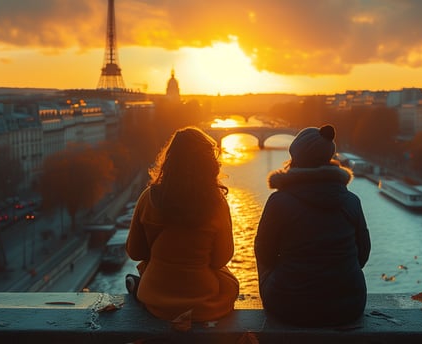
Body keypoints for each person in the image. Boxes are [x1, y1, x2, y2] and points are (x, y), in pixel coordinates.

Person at [255, 124, 371, 327]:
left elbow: (264, 253)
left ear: (295, 159)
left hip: (289, 306)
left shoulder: (279, 201)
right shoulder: (351, 201)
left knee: (263, 253)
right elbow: (363, 255)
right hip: (349, 306)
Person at [125, 126, 240, 322]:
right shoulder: (216, 202)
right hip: (202, 304)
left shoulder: (149, 198)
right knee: (230, 283)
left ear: (169, 160)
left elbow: (135, 251)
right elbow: (222, 258)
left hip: (156, 301)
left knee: (147, 269)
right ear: (209, 163)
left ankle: (139, 286)